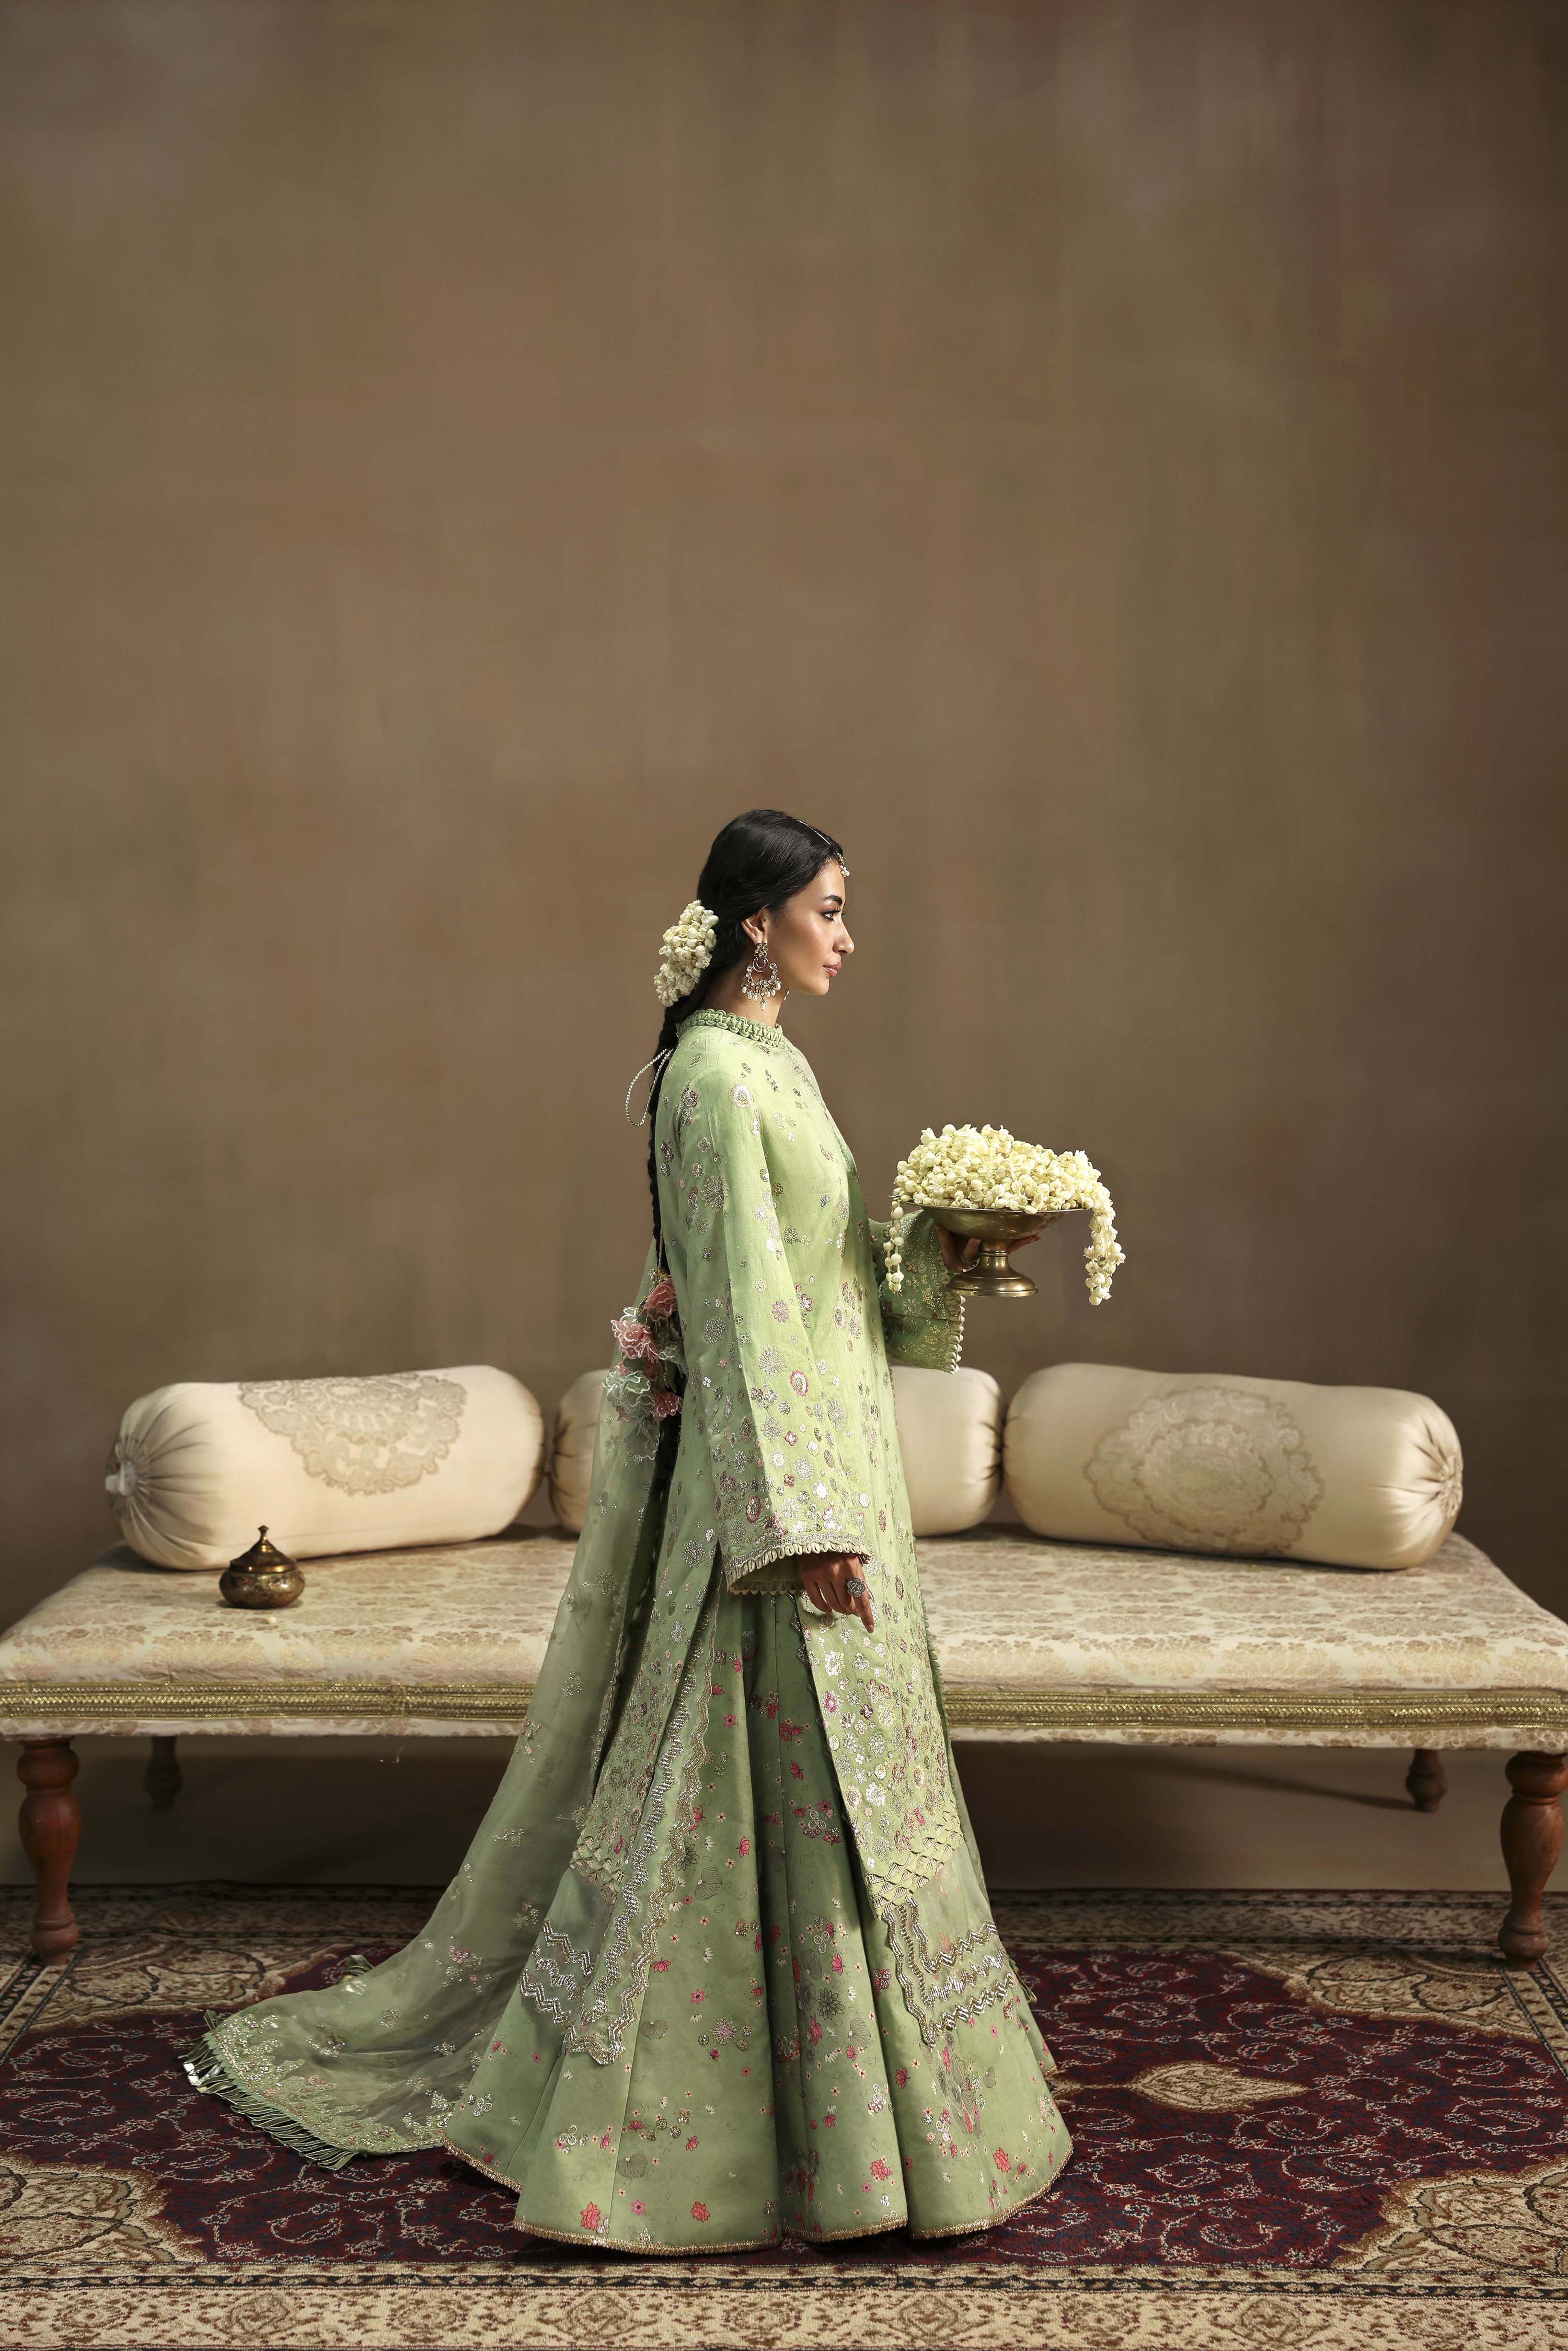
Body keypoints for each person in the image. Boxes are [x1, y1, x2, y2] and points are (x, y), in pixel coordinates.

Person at [183, 809, 1072, 2249]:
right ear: (756, 921)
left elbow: (827, 1291)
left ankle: (867, 2132)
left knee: (855, 1797)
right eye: (830, 910)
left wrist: (943, 1248)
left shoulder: (779, 1063)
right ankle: (740, 2140)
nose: (849, 938)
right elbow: (736, 1314)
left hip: (837, 1469)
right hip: (778, 1501)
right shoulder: (710, 1078)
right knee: (751, 1805)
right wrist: (799, 1526)